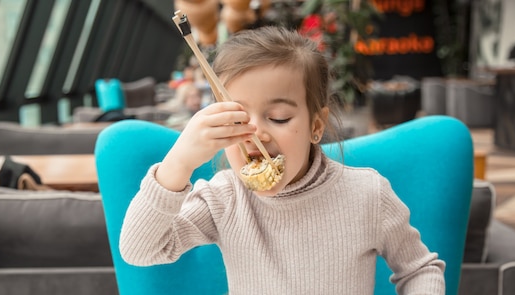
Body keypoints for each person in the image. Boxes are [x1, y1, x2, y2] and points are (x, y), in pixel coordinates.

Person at [119, 26, 445, 294]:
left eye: (278, 117)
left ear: (315, 126)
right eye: (238, 117)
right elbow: (139, 250)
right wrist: (178, 162)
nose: (256, 133)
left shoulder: (368, 195)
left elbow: (420, 269)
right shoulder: (223, 198)